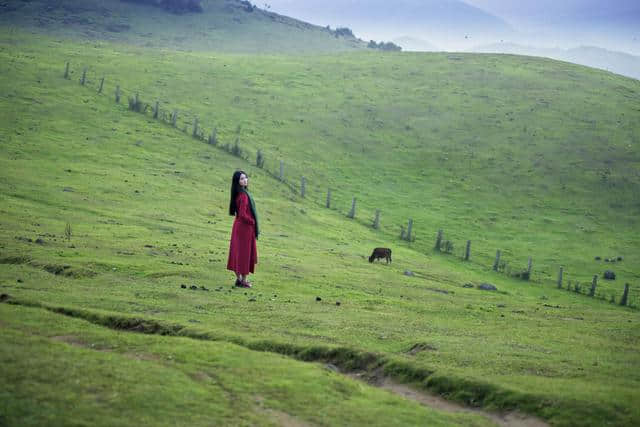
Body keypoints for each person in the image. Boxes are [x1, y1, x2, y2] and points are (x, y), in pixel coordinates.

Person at [227, 170, 259, 288]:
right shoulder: (244, 196)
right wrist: (253, 221)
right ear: (237, 182)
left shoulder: (239, 194)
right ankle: (243, 281)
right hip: (244, 228)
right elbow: (243, 214)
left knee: (237, 253)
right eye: (242, 178)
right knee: (245, 254)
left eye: (245, 178)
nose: (245, 180)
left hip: (238, 226)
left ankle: (239, 279)